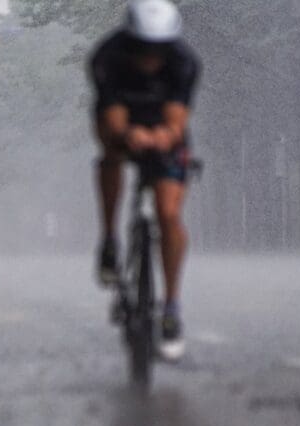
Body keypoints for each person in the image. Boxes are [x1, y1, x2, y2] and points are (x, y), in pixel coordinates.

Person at [88, 0, 201, 361]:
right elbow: (113, 119)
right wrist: (129, 135)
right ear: (130, 40)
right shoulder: (107, 58)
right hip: (122, 123)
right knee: (110, 155)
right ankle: (109, 239)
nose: (151, 57)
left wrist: (162, 137)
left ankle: (170, 309)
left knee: (169, 214)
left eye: (159, 49)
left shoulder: (184, 63)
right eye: (143, 48)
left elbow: (176, 122)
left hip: (163, 129)